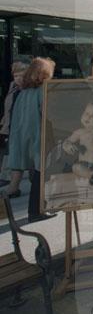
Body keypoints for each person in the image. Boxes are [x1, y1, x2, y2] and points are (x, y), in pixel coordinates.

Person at [6, 57, 56, 223]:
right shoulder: (42, 91)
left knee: (36, 172)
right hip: (38, 136)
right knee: (41, 173)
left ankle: (36, 209)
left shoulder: (23, 92)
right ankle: (36, 211)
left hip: (23, 136)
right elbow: (49, 115)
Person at [62, 101, 93, 185]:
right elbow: (67, 141)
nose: (88, 117)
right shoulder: (80, 132)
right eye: (87, 113)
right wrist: (68, 145)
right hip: (85, 164)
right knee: (76, 167)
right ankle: (92, 175)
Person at [0, 58, 30, 193]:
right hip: (12, 126)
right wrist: (4, 125)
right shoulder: (14, 88)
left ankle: (14, 186)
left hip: (25, 128)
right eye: (16, 75)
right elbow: (8, 107)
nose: (18, 78)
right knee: (14, 157)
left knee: (23, 158)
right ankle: (12, 186)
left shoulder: (31, 90)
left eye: (21, 75)